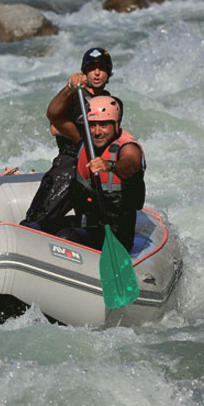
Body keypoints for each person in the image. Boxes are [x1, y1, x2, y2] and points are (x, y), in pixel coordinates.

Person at [22, 47, 115, 227]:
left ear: (108, 73)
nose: (97, 73)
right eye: (91, 68)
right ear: (84, 72)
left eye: (102, 68)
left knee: (95, 222)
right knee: (38, 219)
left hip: (95, 163)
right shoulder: (74, 95)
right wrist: (69, 88)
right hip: (70, 161)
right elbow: (53, 115)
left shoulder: (110, 101)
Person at [53, 95, 146, 253]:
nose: (96, 132)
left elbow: (130, 165)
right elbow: (55, 117)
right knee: (36, 227)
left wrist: (110, 165)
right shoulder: (84, 140)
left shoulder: (128, 148)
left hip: (115, 235)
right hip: (85, 222)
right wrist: (69, 89)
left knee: (67, 237)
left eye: (103, 125)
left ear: (116, 124)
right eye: (92, 125)